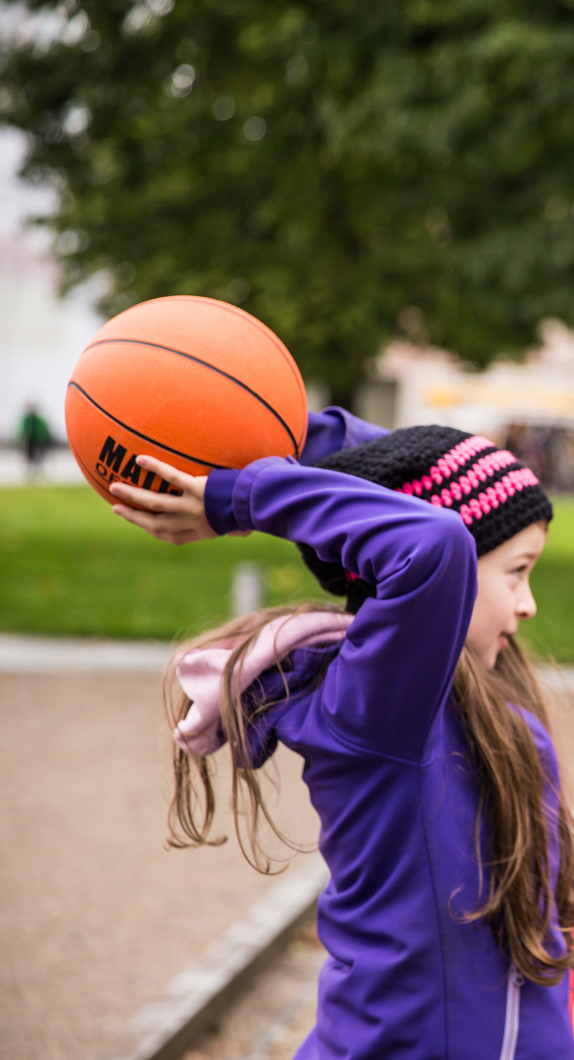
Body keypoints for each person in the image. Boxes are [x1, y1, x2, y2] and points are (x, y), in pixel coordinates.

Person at [109, 407, 574, 1060]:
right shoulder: (382, 706)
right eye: (517, 571)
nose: (529, 603)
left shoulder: (489, 695)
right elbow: (435, 539)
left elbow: (416, 472)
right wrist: (239, 500)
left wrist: (292, 434)